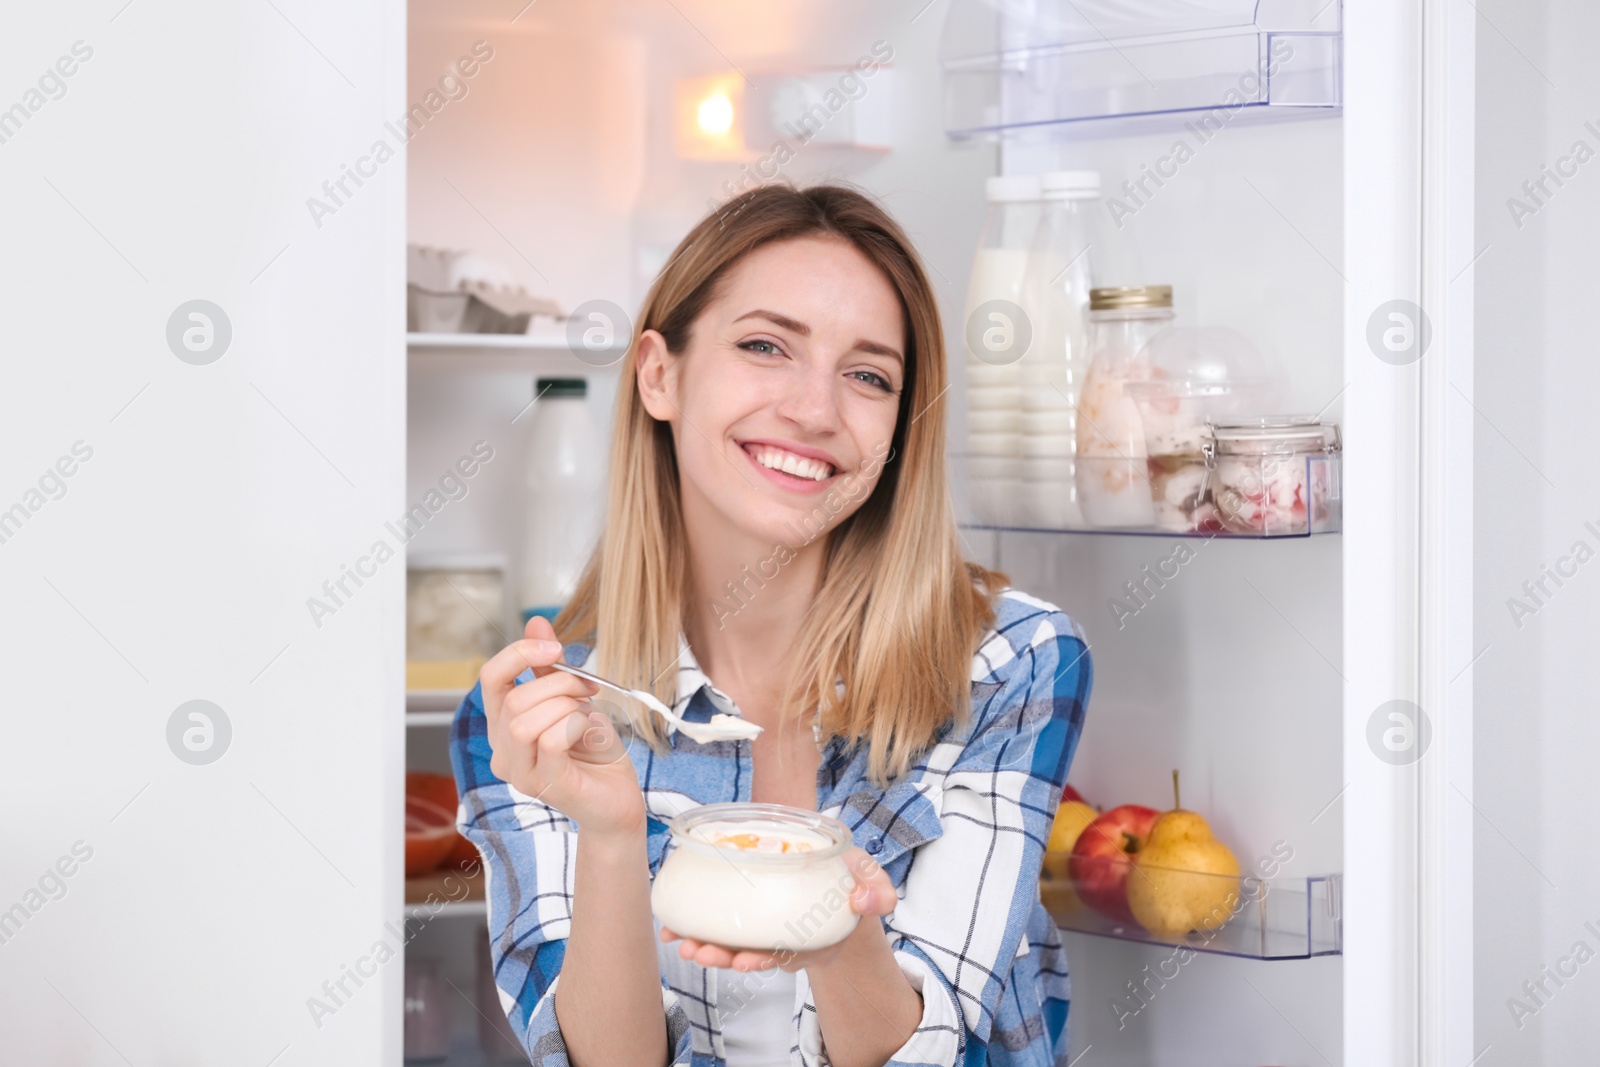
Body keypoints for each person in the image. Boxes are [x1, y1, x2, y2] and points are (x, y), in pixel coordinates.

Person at [450, 182, 1091, 1067]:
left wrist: (835, 932)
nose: (815, 410)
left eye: (869, 375)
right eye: (765, 346)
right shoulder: (545, 711)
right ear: (659, 374)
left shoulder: (1008, 664)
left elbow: (943, 1049)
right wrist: (608, 830)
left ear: (899, 428)